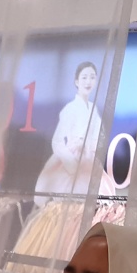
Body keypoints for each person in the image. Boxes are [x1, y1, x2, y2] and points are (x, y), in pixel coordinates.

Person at [34, 61, 104, 203]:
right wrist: (71, 163)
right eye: (84, 77)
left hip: (88, 158)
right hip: (71, 159)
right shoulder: (70, 109)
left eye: (92, 77)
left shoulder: (93, 108)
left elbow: (97, 133)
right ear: (76, 81)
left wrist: (91, 148)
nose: (88, 81)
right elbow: (57, 141)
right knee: (70, 199)